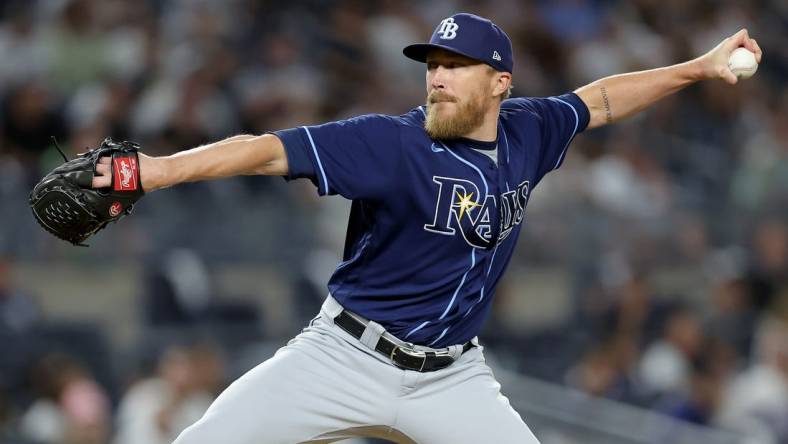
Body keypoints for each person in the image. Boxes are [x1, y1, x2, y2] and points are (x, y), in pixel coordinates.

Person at [91, 12, 762, 444]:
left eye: (455, 67)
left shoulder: (531, 130)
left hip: (452, 376)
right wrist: (156, 170)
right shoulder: (390, 142)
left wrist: (697, 68)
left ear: (499, 82)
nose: (436, 78)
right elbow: (267, 149)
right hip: (344, 356)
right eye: (432, 65)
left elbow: (601, 101)